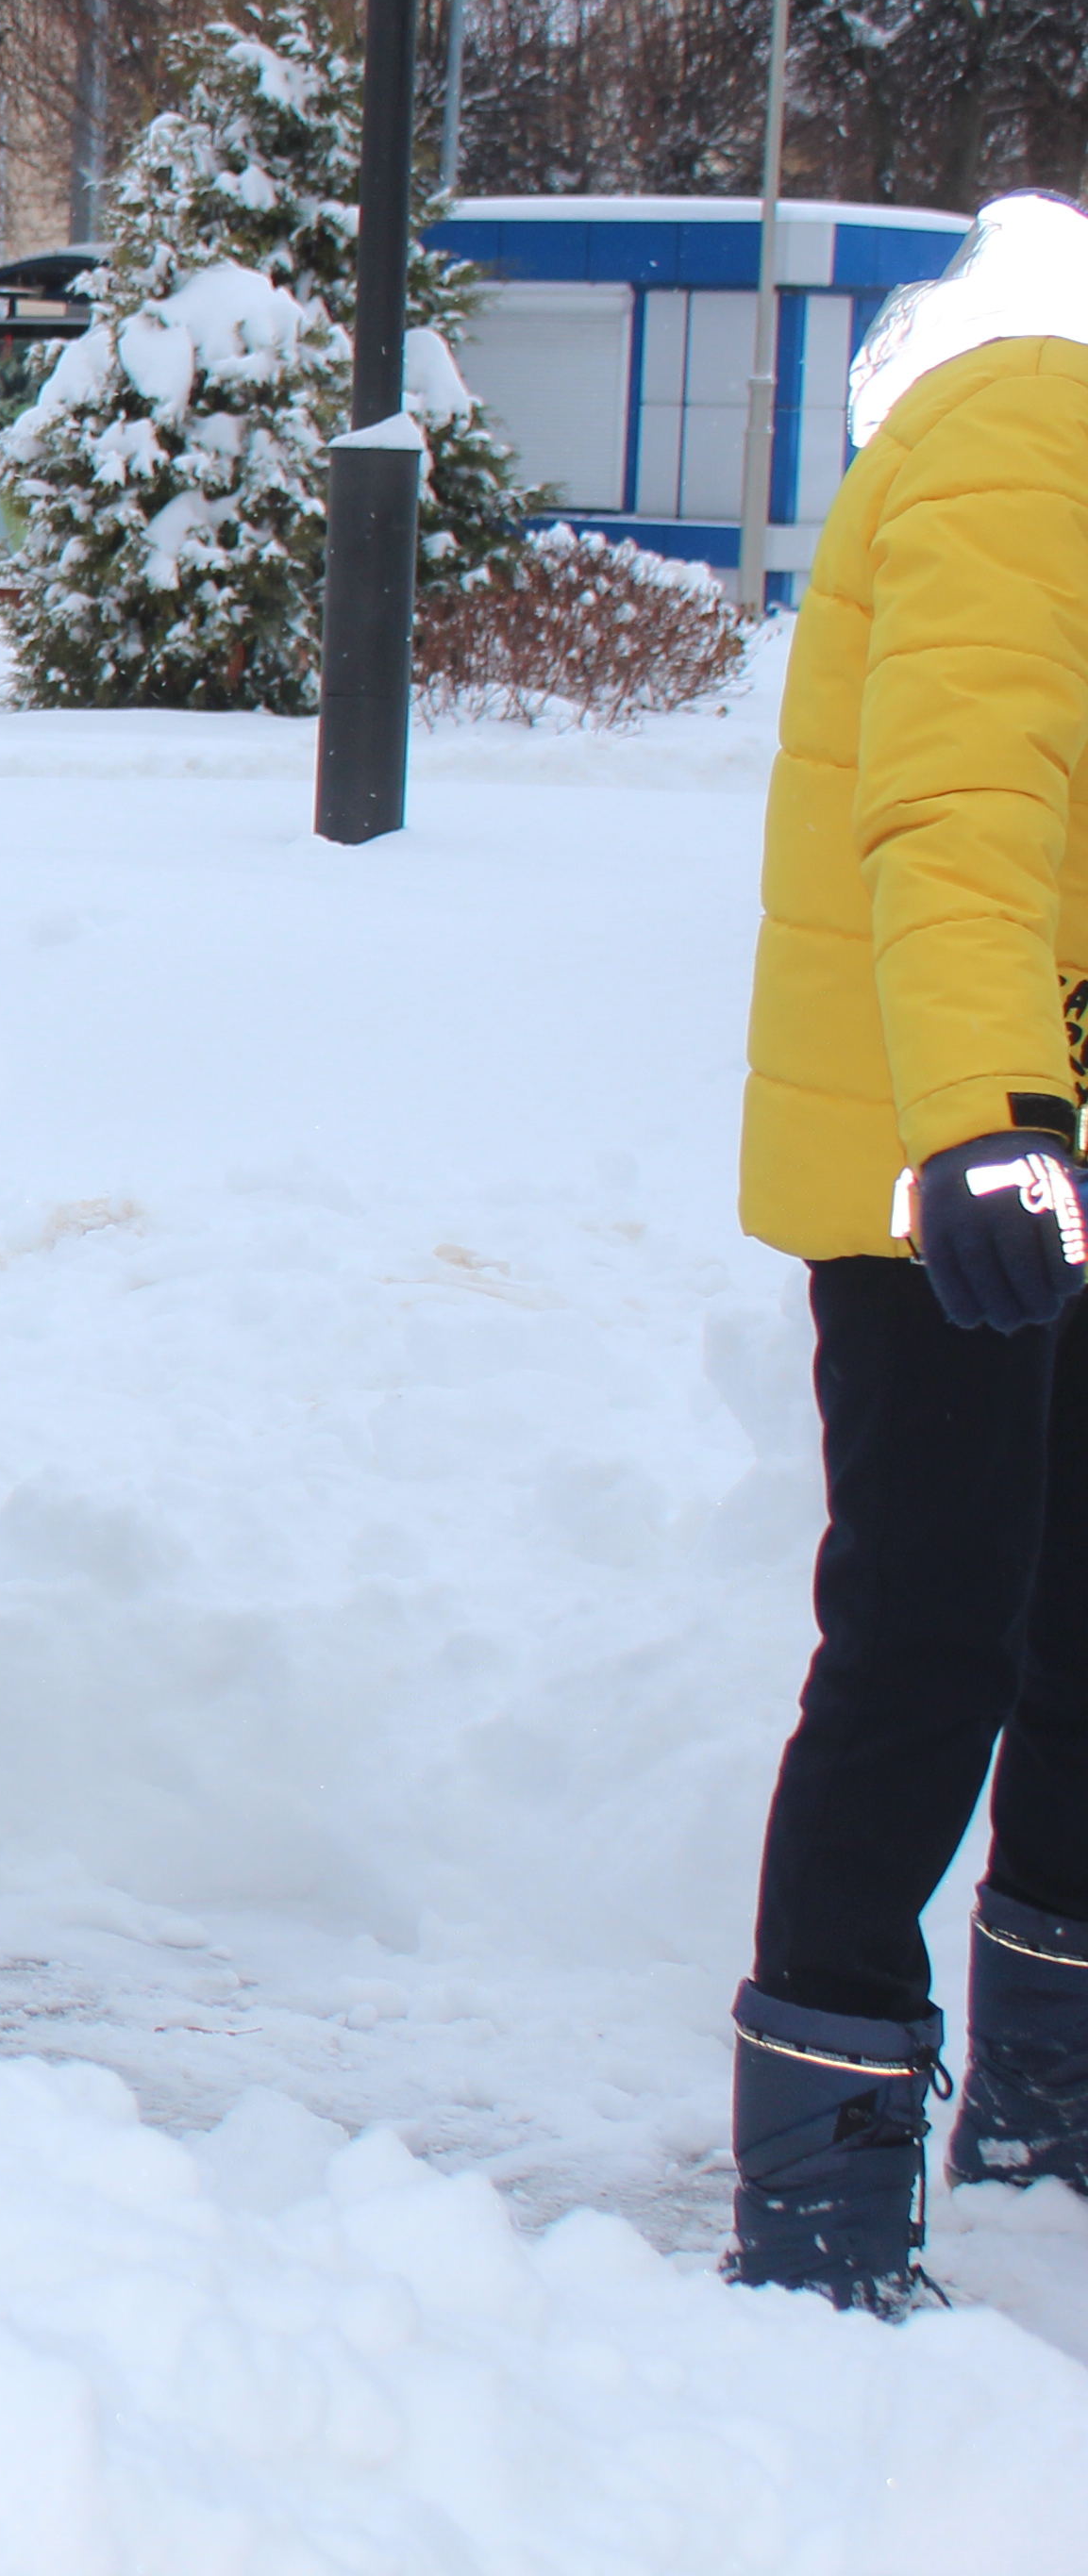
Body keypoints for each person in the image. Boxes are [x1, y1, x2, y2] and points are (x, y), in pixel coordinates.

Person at [723, 200, 1088, 2313]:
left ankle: (1044, 2100)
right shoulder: (1029, 422)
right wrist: (982, 1127)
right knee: (930, 1643)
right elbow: (960, 799)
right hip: (944, 1161)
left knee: (1070, 1629)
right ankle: (828, 2184)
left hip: (1030, 1131)